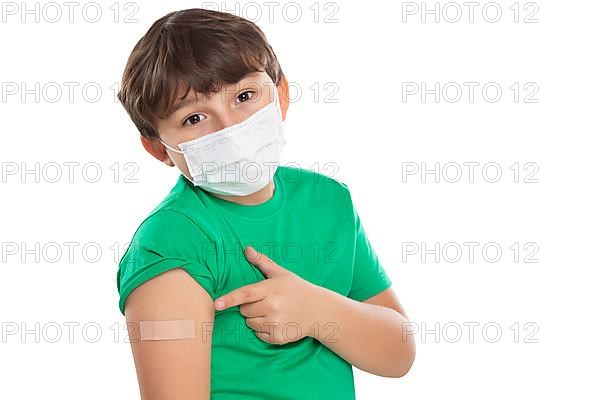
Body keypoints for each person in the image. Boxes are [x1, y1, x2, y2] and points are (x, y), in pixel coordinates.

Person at [116, 8, 415, 399]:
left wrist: (318, 311)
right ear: (159, 148)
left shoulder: (329, 202)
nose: (231, 128)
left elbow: (399, 354)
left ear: (281, 95)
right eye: (194, 118)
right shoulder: (172, 242)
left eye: (244, 96)